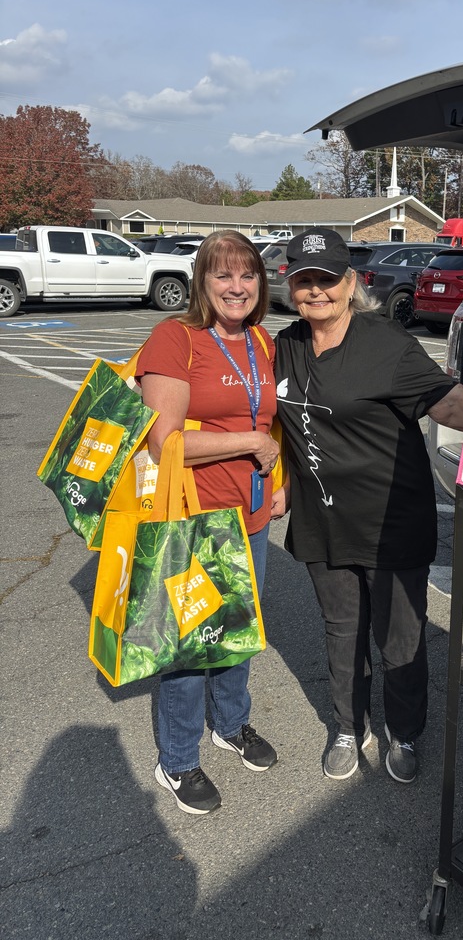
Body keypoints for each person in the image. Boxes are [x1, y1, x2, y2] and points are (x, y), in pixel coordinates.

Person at [274, 228, 463, 784]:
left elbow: (450, 404)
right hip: (324, 524)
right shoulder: (283, 345)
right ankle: (347, 726)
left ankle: (404, 731)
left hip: (392, 522)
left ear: (351, 282)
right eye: (305, 280)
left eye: (327, 280)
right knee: (342, 632)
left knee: (399, 639)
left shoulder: (385, 342)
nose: (317, 291)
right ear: (292, 286)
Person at [136, 229, 284, 815]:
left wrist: (280, 486)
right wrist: (248, 441)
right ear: (202, 281)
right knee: (190, 644)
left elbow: (270, 421)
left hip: (251, 516)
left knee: (239, 633)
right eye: (222, 274)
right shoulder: (176, 339)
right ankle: (177, 759)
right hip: (193, 518)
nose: (236, 286)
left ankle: (231, 725)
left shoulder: (260, 342)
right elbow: (160, 441)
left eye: (247, 274)